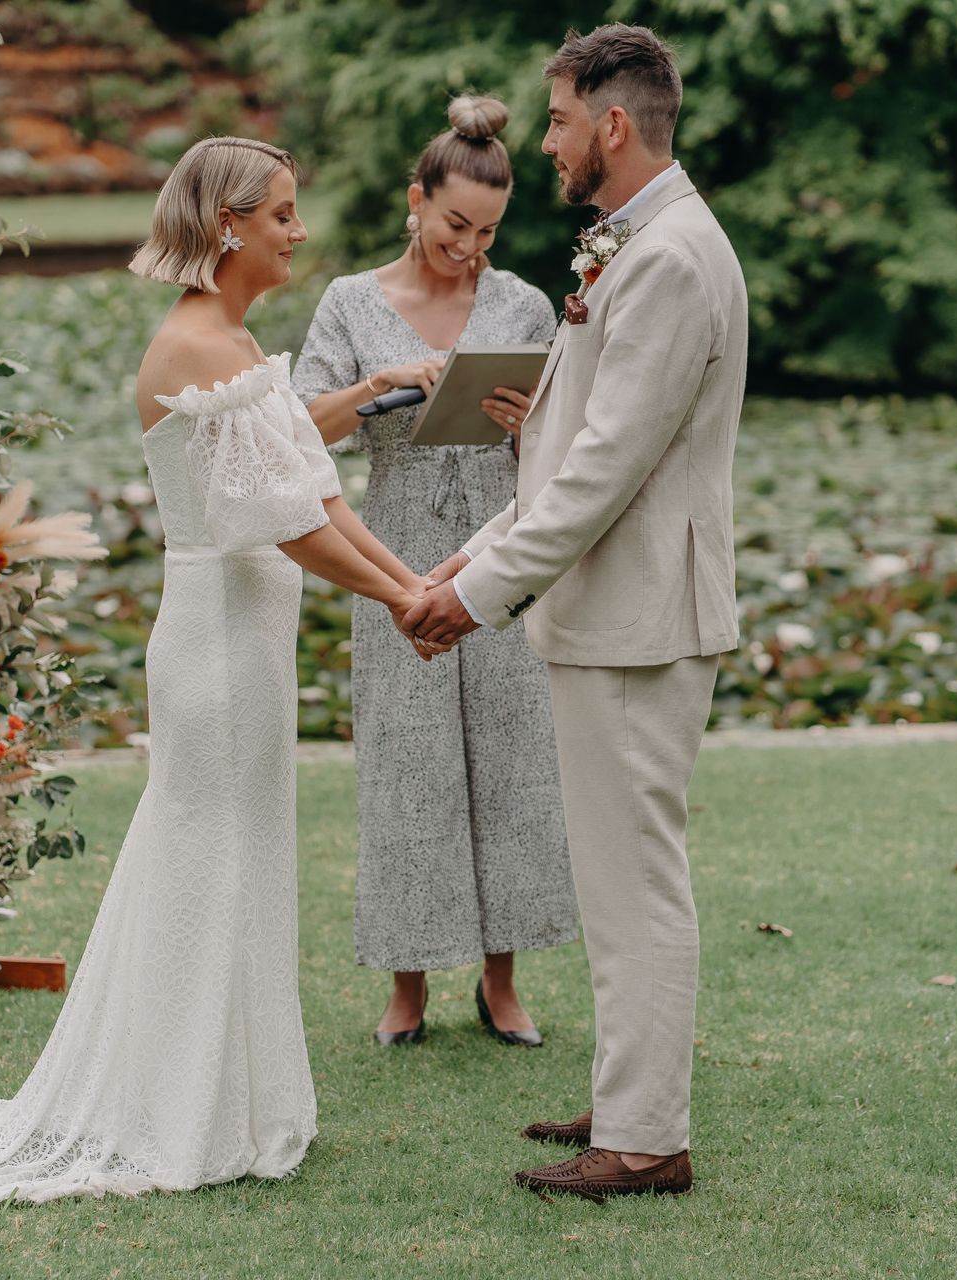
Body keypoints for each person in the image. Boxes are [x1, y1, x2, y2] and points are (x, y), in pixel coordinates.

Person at [0, 137, 439, 1209]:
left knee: (244, 862)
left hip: (250, 646)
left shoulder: (233, 336)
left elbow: (316, 494)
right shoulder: (191, 348)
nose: (298, 230)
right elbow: (283, 526)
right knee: (207, 863)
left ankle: (227, 1098)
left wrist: (412, 586)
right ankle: (175, 1111)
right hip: (216, 653)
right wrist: (404, 600)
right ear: (229, 225)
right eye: (281, 212)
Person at [404, 24, 745, 1200]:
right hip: (611, 606)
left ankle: (648, 1140)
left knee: (635, 875)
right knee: (608, 874)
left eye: (553, 121)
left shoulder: (672, 258)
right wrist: (470, 554)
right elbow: (568, 454)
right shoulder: (633, 246)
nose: (539, 142)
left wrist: (477, 598)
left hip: (645, 614)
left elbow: (606, 468)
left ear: (611, 123)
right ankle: (624, 1095)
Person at [295, 94, 577, 1049]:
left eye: (489, 231)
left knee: (512, 763)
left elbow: (565, 440)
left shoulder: (526, 305)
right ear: (415, 200)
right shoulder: (348, 303)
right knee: (406, 766)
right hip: (394, 542)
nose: (470, 247)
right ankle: (406, 987)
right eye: (456, 224)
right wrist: (383, 385)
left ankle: (503, 982)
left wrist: (521, 421)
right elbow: (299, 431)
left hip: (501, 547)